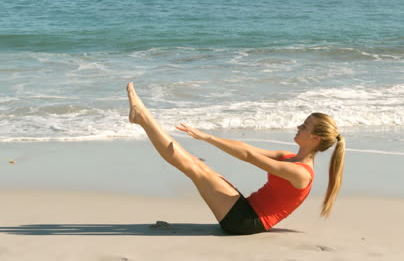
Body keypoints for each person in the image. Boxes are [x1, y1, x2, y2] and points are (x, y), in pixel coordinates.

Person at [126, 82, 345, 235]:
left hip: (245, 222)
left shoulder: (300, 173)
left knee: (192, 165)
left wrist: (206, 136)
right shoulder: (289, 158)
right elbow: (247, 148)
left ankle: (143, 118)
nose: (299, 126)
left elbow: (249, 157)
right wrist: (208, 137)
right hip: (246, 209)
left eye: (304, 126)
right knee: (196, 165)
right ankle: (142, 118)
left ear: (315, 138)